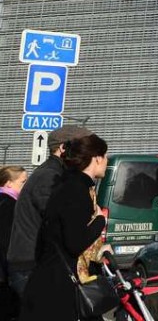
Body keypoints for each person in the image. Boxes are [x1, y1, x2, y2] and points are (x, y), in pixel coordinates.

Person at [20, 133, 110, 321]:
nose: (107, 161)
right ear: (96, 158)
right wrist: (100, 220)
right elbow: (75, 242)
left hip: (53, 281)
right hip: (58, 289)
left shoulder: (70, 184)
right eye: (105, 156)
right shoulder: (76, 190)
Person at [5, 125, 92, 298]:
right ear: (63, 148)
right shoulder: (49, 176)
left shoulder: (55, 173)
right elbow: (60, 220)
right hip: (30, 267)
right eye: (82, 148)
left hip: (35, 265)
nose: (87, 155)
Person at [0, 166, 27, 320]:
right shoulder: (9, 205)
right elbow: (6, 241)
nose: (26, 186)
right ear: (9, 183)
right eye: (23, 182)